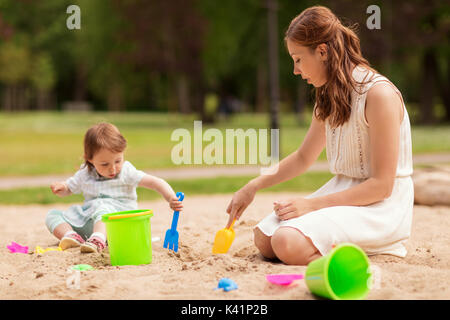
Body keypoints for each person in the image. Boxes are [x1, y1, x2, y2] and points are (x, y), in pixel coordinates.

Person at [225, 6, 413, 265]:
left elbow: (382, 186)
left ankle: (364, 253)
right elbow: (303, 157)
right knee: (264, 239)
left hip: (380, 207)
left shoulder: (378, 95)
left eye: (298, 59)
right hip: (344, 194)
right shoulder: (328, 96)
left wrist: (312, 206)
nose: (295, 70)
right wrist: (252, 186)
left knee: (285, 242)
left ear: (322, 52)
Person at [46, 122, 183, 253]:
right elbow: (69, 188)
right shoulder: (85, 173)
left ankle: (99, 240)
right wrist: (62, 187)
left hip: (120, 224)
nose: (113, 168)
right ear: (90, 159)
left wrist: (171, 197)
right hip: (91, 222)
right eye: (105, 164)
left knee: (103, 207)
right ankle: (72, 236)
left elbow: (155, 182)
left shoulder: (126, 172)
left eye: (118, 161)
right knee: (53, 215)